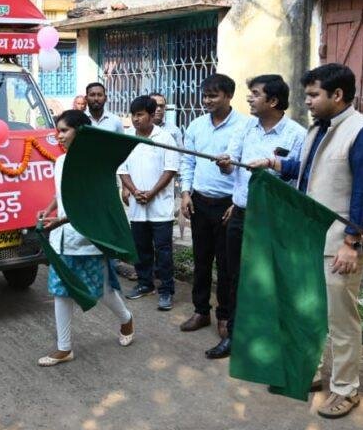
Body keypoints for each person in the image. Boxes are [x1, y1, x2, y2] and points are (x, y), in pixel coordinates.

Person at [255, 63, 363, 419]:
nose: (308, 101)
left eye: (313, 95)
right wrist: (272, 164)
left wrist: (351, 242)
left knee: (340, 320)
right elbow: (307, 169)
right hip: (308, 237)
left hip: (338, 244)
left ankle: (346, 389)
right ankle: (309, 373)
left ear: (337, 95)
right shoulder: (319, 128)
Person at [209, 75, 306, 359]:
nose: (249, 98)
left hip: (275, 219)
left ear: (273, 101)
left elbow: (299, 179)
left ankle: (272, 343)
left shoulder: (297, 135)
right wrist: (225, 163)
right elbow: (231, 166)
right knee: (236, 277)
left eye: (255, 93)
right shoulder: (245, 128)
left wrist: (272, 166)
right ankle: (236, 338)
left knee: (271, 280)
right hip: (241, 215)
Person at [37, 110, 134, 365]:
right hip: (61, 238)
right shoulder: (60, 162)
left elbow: (99, 204)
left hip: (87, 238)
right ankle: (64, 347)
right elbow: (62, 193)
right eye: (57, 130)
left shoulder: (95, 164)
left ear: (80, 132)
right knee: (61, 290)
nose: (58, 135)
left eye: (64, 130)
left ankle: (126, 319)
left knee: (102, 290)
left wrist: (67, 219)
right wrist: (49, 210)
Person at [179, 74, 244, 336]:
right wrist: (185, 193)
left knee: (227, 264)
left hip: (229, 205)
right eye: (205, 95)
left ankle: (225, 316)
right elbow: (188, 162)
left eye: (213, 96)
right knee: (201, 259)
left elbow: (245, 170)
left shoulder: (245, 126)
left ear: (228, 96)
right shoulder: (196, 126)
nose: (207, 100)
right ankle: (201, 311)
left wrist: (238, 203)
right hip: (199, 203)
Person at [118, 96, 180, 310]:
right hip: (137, 206)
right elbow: (122, 169)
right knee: (141, 248)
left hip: (160, 208)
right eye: (133, 115)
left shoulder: (165, 138)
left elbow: (170, 169)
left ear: (152, 115)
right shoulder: (127, 138)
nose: (135, 119)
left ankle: (166, 291)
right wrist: (135, 191)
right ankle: (145, 284)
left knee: (163, 251)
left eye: (140, 114)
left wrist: (151, 193)